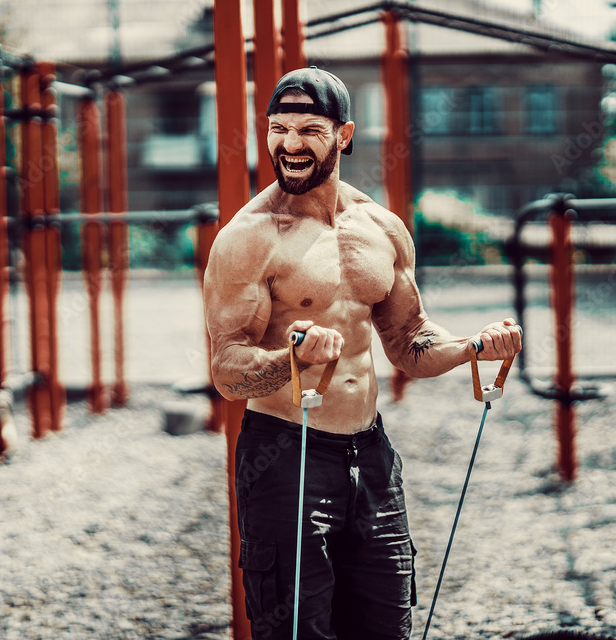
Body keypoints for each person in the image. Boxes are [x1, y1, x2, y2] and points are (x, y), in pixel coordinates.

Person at [203, 66, 522, 640]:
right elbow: (227, 370)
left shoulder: (382, 228)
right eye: (278, 128)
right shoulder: (248, 237)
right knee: (300, 631)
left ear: (344, 136)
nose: (290, 144)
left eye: (308, 130)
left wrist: (475, 348)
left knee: (386, 625)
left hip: (370, 455)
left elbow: (411, 343)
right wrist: (289, 362)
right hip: (285, 455)